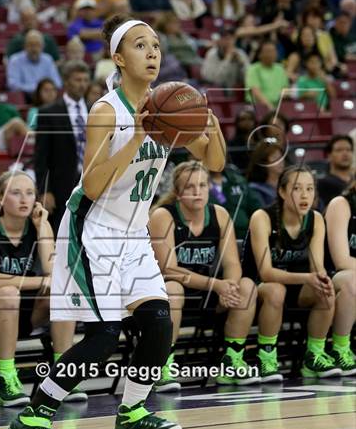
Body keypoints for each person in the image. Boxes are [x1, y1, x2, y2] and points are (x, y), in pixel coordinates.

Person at [7, 14, 226, 429]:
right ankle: (34, 414)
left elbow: (215, 162)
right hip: (91, 228)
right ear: (118, 58)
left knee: (160, 322)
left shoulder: (167, 108)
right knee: (105, 336)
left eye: (157, 47)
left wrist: (211, 124)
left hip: (132, 232)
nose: (152, 54)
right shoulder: (105, 111)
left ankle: (133, 409)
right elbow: (90, 183)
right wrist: (137, 136)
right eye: (141, 46)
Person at [0, 171, 77, 407]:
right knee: (9, 293)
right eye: (15, 193)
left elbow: (53, 270)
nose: (24, 200)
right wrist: (41, 282)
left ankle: (63, 375)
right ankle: (7, 379)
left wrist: (42, 228)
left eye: (29, 193)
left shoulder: (37, 224)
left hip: (26, 309)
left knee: (62, 293)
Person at [149, 161, 259, 390]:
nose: (197, 191)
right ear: (178, 193)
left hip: (208, 292)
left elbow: (231, 262)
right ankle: (163, 364)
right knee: (173, 289)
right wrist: (216, 285)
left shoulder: (219, 214)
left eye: (202, 185)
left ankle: (233, 360)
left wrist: (229, 286)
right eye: (190, 187)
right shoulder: (163, 215)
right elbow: (168, 269)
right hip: (168, 290)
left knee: (247, 286)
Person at [242, 165, 339, 381]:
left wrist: (321, 279)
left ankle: (314, 355)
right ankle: (266, 357)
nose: (305, 195)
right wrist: (307, 278)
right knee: (276, 290)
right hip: (255, 290)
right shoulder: (262, 217)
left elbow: (317, 267)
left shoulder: (315, 219)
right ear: (282, 192)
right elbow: (266, 272)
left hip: (295, 289)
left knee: (326, 289)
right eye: (297, 188)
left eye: (310, 188)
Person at [34, 60, 91, 234]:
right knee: (62, 235)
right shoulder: (48, 112)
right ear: (66, 82)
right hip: (61, 185)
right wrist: (45, 190)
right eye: (77, 80)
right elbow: (41, 156)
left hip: (91, 181)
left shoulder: (96, 109)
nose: (82, 84)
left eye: (85, 80)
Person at [325, 181, 356, 375]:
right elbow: (341, 260)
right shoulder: (341, 204)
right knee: (353, 280)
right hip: (331, 276)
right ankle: (340, 348)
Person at [7, 30, 62, 96]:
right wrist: (39, 90)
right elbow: (13, 85)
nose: (34, 49)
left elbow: (57, 83)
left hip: (47, 97)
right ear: (25, 46)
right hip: (25, 96)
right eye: (31, 45)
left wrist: (43, 90)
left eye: (37, 45)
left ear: (42, 46)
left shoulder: (48, 59)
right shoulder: (15, 60)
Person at [245, 40, 289, 110]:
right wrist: (270, 107)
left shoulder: (280, 69)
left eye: (274, 51)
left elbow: (285, 89)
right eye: (268, 51)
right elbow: (255, 91)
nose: (272, 54)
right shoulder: (253, 69)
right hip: (257, 106)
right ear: (260, 54)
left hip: (278, 107)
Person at [318, 135, 354, 208]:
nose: (345, 154)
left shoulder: (353, 179)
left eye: (348, 150)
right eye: (339, 150)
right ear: (329, 155)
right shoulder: (321, 184)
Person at [246, 141, 286, 208]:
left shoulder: (289, 184)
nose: (280, 161)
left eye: (281, 157)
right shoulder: (255, 190)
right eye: (275, 157)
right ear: (264, 161)